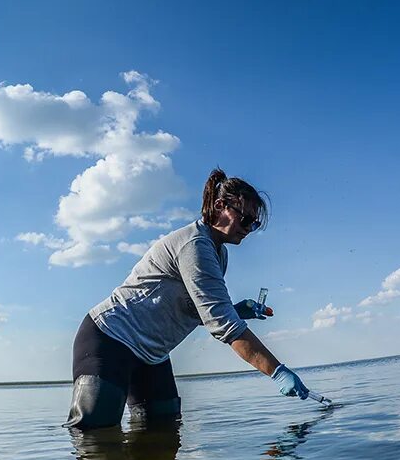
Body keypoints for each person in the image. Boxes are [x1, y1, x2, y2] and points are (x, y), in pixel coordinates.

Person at [65, 167, 310, 429]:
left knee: (165, 430)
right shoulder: (195, 245)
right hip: (111, 340)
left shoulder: (219, 253)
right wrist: (277, 371)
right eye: (246, 219)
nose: (249, 229)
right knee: (95, 434)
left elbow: (203, 312)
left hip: (152, 354)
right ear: (220, 206)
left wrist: (235, 310)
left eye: (255, 223)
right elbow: (224, 326)